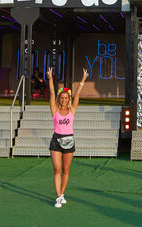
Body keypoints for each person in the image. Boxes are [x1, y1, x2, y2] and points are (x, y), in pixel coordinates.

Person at [47, 66, 89, 208]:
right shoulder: (55, 110)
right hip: (56, 140)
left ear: (68, 99)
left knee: (66, 170)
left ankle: (62, 193)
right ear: (59, 99)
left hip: (69, 141)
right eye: (62, 98)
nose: (64, 100)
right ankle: (58, 196)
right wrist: (51, 78)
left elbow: (77, 95)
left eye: (66, 98)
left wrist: (83, 79)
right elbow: (52, 92)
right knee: (57, 169)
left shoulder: (72, 110)